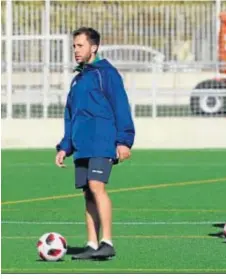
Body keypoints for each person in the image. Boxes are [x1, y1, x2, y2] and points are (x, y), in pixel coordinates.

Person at [55, 27, 135, 260]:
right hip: (81, 145)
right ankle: (91, 244)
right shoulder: (77, 80)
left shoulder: (106, 73)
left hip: (102, 141)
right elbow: (71, 116)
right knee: (88, 193)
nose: (76, 51)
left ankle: (107, 241)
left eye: (80, 46)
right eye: (74, 46)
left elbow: (121, 106)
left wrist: (124, 140)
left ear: (94, 47)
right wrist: (64, 146)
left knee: (96, 186)